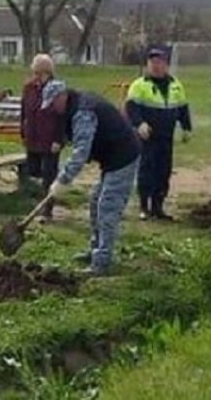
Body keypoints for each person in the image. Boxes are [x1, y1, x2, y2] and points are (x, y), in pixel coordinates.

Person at [43, 80, 141, 275]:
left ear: (62, 97)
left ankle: (102, 262)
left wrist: (63, 180)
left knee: (107, 208)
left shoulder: (82, 113)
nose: (53, 109)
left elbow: (81, 152)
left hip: (124, 156)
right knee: (95, 201)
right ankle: (95, 250)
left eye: (53, 104)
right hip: (111, 158)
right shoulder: (75, 104)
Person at [125, 48, 192, 221]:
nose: (156, 66)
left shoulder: (176, 85)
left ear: (166, 65)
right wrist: (139, 124)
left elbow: (183, 108)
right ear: (147, 65)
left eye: (160, 62)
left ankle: (158, 206)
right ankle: (143, 207)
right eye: (152, 62)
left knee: (164, 171)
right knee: (146, 170)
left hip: (166, 136)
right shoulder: (139, 85)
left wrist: (186, 128)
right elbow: (131, 108)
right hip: (147, 136)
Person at [19, 54, 64, 222]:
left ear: (48, 72)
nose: (37, 77)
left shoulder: (57, 89)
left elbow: (62, 117)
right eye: (35, 73)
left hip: (50, 139)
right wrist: (22, 132)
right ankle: (36, 201)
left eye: (40, 74)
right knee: (34, 170)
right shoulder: (29, 87)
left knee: (48, 174)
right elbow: (23, 111)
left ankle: (47, 209)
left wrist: (59, 140)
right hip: (33, 135)